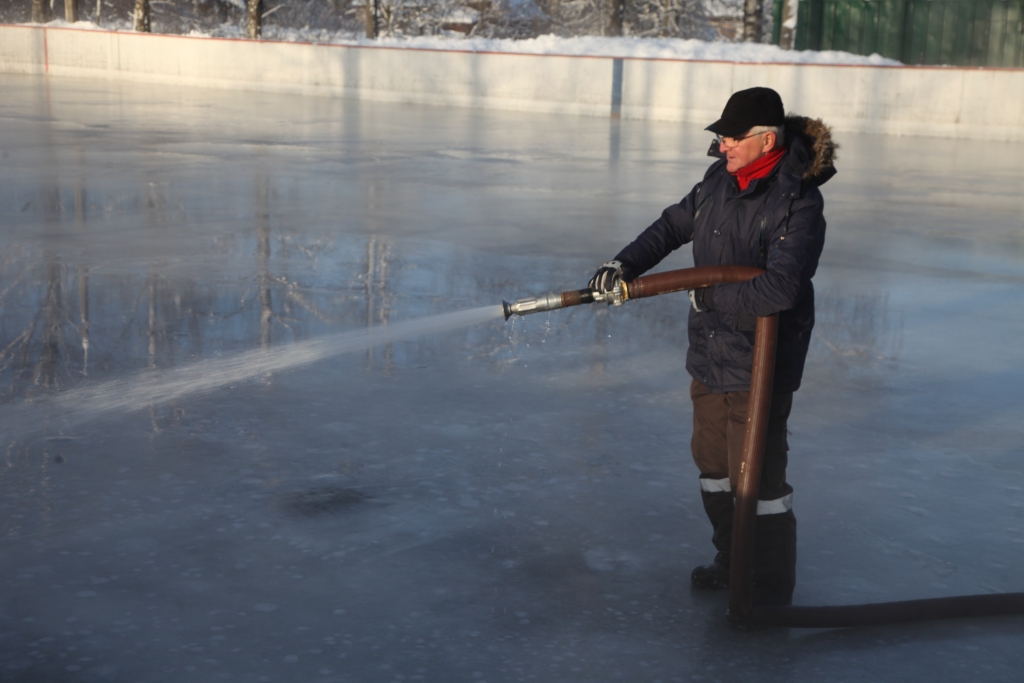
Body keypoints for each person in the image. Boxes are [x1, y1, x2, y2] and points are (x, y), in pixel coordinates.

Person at [588, 87, 837, 607]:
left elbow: (780, 289)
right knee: (714, 467)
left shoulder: (799, 201)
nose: (722, 144)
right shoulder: (716, 183)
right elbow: (671, 226)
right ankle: (733, 558)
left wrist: (708, 294)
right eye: (720, 135)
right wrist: (623, 265)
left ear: (767, 139)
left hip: (761, 362)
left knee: (759, 481)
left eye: (731, 136)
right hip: (709, 354)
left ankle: (767, 589)